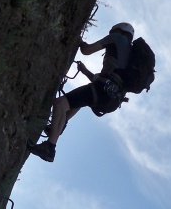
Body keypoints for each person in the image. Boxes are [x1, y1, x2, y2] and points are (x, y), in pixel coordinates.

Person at [27, 22, 135, 162]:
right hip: (112, 98)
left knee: (60, 103)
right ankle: (57, 127)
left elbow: (86, 50)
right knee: (77, 103)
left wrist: (79, 40)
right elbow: (107, 80)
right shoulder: (129, 53)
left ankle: (50, 147)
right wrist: (84, 71)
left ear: (117, 30)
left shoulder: (116, 38)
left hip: (103, 89)